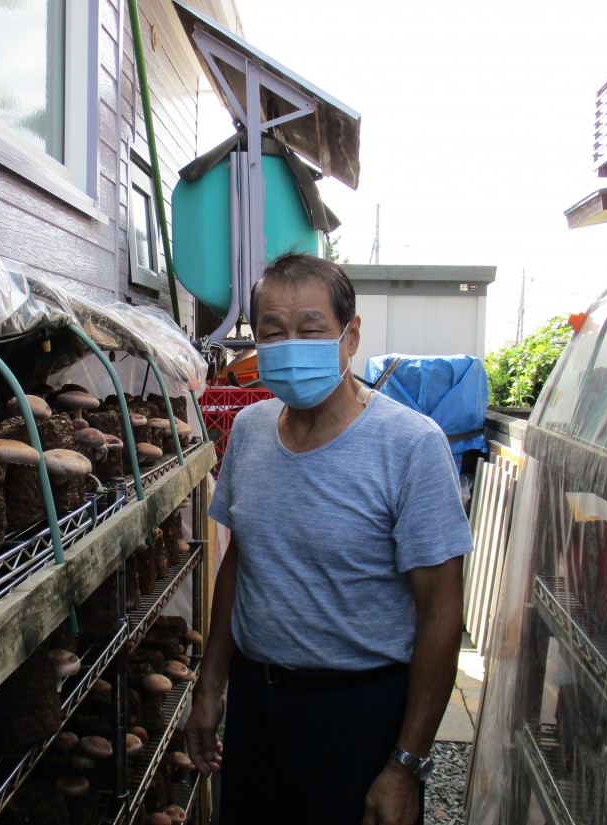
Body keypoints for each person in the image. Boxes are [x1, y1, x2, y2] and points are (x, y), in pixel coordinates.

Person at [185, 253, 472, 825]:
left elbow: (441, 612)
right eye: (273, 332)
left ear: (351, 335)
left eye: (311, 328)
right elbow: (241, 560)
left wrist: (405, 765)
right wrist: (211, 684)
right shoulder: (249, 430)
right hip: (257, 705)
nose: (291, 345)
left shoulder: (412, 446)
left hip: (359, 715)